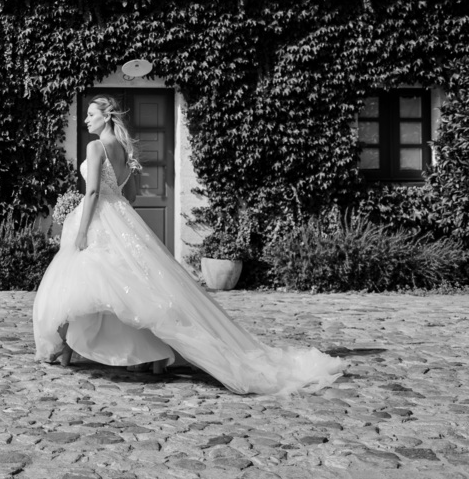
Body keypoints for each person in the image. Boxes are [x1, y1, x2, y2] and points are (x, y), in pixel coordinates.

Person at [32, 95, 345, 395]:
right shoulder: (125, 152)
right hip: (123, 218)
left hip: (100, 218)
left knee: (86, 286)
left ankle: (66, 352)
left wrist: (83, 230)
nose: (85, 119)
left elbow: (92, 193)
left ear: (106, 116)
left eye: (90, 114)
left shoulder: (96, 146)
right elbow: (130, 197)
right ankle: (150, 356)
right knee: (134, 286)